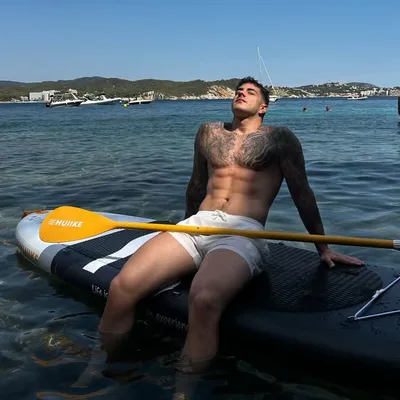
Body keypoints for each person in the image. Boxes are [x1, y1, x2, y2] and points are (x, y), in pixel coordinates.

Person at [98, 76, 364, 373]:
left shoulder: (281, 139)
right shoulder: (209, 132)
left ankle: (184, 388)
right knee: (122, 286)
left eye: (250, 92)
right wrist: (183, 226)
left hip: (242, 232)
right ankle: (100, 366)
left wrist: (323, 248)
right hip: (198, 224)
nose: (241, 93)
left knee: (204, 299)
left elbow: (302, 193)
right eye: (239, 90)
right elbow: (196, 184)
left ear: (263, 107)